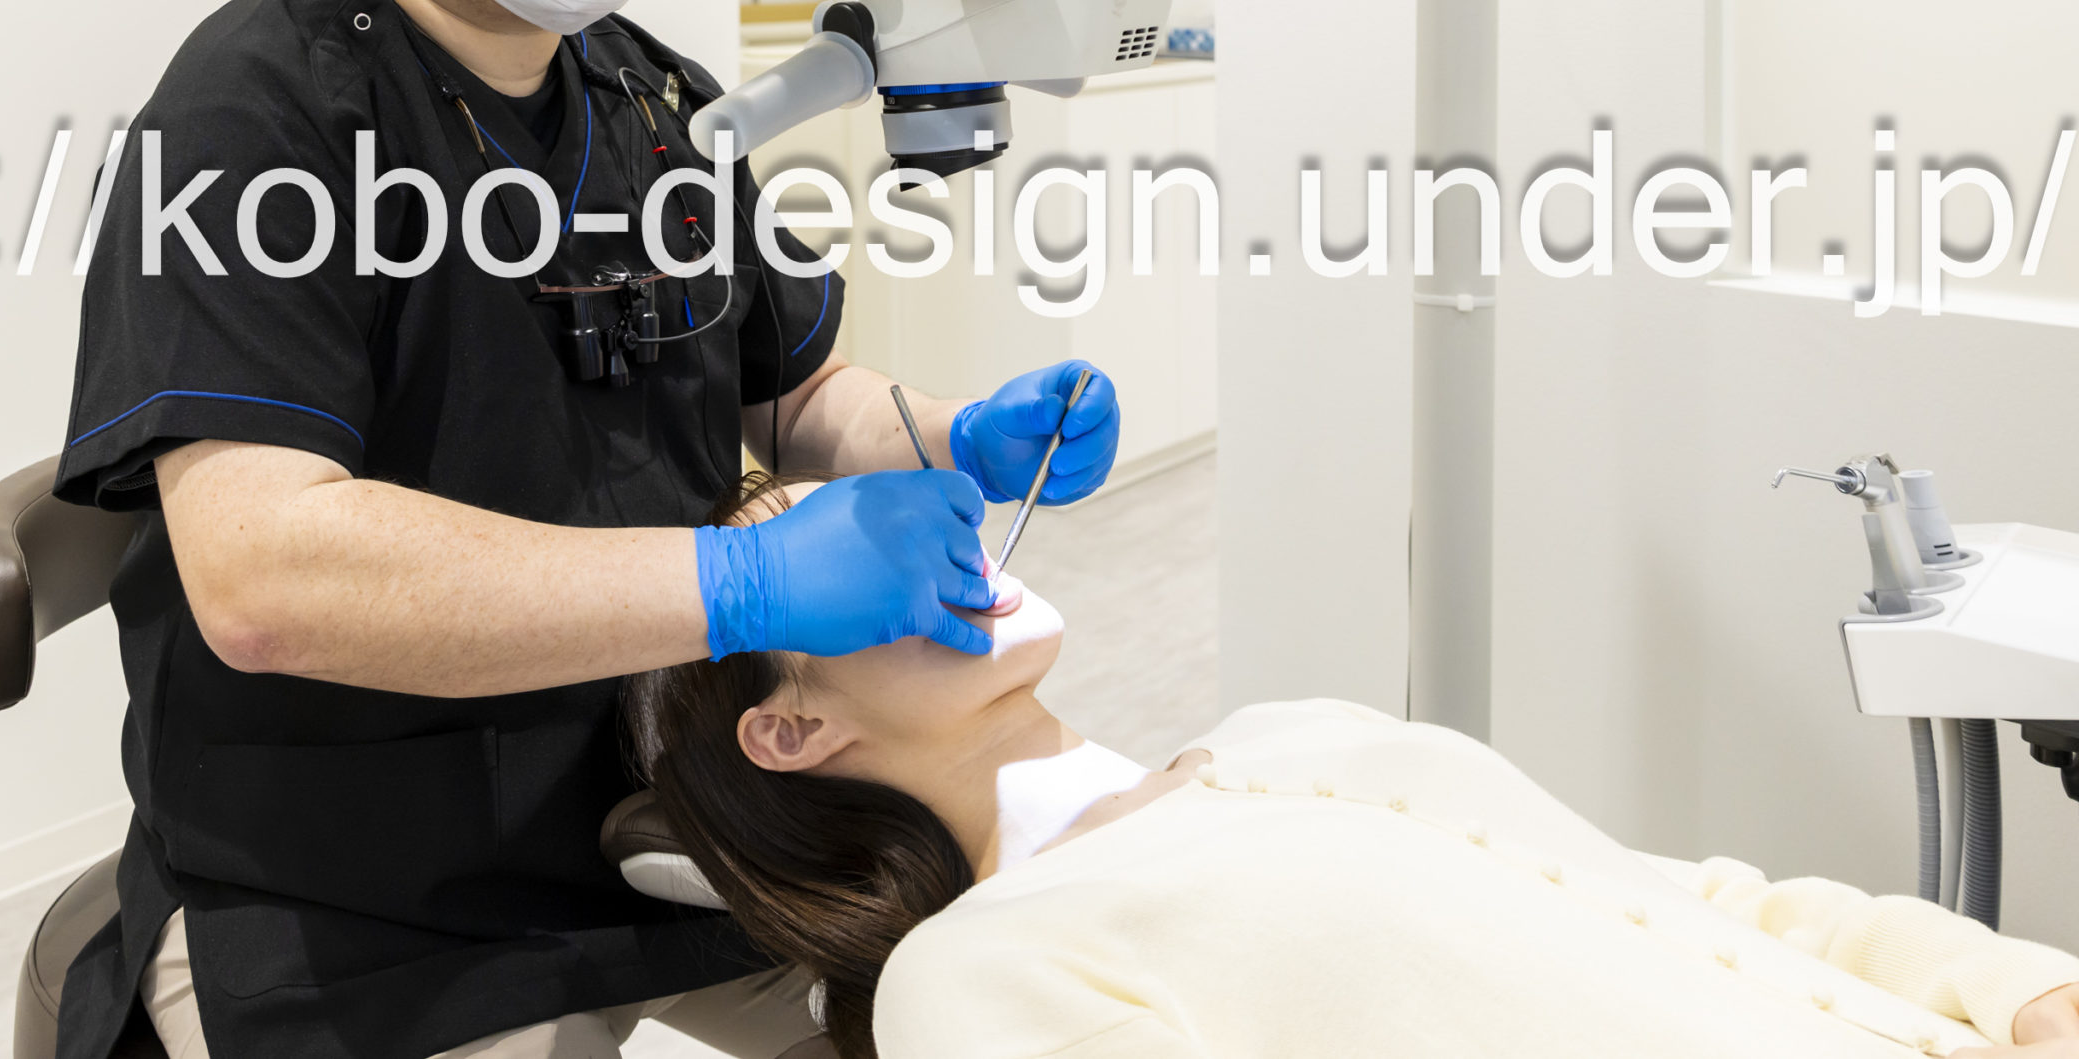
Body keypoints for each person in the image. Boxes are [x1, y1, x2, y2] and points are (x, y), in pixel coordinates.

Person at [47, 0, 1125, 1059]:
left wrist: (960, 434)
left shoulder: (649, 97)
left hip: (673, 828)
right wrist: (741, 584)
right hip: (364, 904)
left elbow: (793, 394)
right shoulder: (258, 115)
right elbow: (267, 579)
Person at [631, 476, 2079, 1059]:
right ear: (793, 729)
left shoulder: (1296, 732)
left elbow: (1712, 903)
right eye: (847, 551)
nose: (930, 535)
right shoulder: (977, 977)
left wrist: (2023, 993)